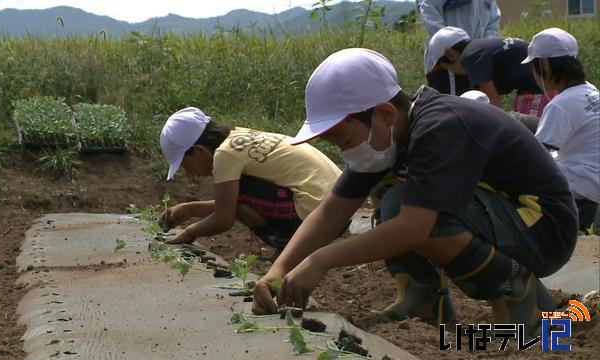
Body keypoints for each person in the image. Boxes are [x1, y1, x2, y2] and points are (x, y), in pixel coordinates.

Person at [252, 48, 578, 335]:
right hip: (510, 217)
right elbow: (331, 211)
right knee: (394, 195)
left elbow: (414, 228)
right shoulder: (390, 136)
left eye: (346, 141)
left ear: (384, 114)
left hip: (543, 227)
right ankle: (423, 300)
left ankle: (521, 298)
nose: (345, 153)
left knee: (408, 209)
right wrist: (277, 271)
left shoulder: (441, 126)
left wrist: (320, 261)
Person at [158, 107, 342, 257]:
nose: (189, 172)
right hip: (340, 202)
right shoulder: (238, 137)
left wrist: (190, 232)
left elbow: (224, 219)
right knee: (238, 195)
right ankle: (289, 250)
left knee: (240, 194)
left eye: (184, 165)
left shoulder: (224, 155)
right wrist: (190, 210)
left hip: (317, 214)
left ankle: (288, 246)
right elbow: (228, 204)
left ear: (199, 152)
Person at [522, 28, 599, 231]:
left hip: (582, 184)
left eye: (533, 67)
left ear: (544, 63)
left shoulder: (560, 105)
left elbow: (536, 155)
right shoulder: (591, 91)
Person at [429, 26, 555, 116]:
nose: (452, 72)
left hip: (539, 88)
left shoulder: (471, 58)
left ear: (450, 54)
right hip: (548, 82)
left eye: (448, 68)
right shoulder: (479, 47)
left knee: (526, 133)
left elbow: (493, 104)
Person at [417, 0, 501, 95]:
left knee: (477, 104)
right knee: (450, 106)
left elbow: (493, 22)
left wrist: (483, 49)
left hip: (475, 62)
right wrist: (448, 41)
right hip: (448, 62)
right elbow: (428, 8)